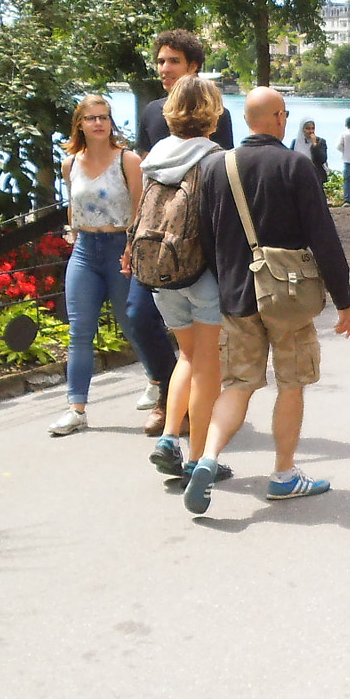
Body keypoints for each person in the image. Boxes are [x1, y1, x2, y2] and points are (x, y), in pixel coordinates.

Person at [181, 87, 350, 510]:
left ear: (246, 121)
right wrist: (344, 299)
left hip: (236, 295)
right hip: (289, 297)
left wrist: (226, 283)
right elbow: (323, 237)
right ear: (279, 117)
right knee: (291, 384)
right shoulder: (295, 165)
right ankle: (282, 473)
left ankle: (206, 457)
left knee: (239, 385)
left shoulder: (213, 167)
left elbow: (205, 235)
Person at [128, 30, 230, 438]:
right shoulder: (159, 115)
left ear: (193, 66)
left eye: (172, 61)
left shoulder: (199, 122)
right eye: (160, 61)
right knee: (204, 360)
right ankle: (197, 453)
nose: (164, 68)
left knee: (190, 356)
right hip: (177, 254)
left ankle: (172, 432)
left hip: (177, 254)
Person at [50, 96, 147, 437]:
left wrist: (132, 249)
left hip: (121, 247)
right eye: (91, 118)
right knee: (80, 331)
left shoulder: (128, 160)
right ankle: (76, 408)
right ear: (80, 124)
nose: (98, 123)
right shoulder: (70, 164)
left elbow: (139, 209)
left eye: (104, 117)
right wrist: (72, 232)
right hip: (85, 250)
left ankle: (158, 383)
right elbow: (72, 205)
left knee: (133, 322)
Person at [293, 119, 328, 185]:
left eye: (312, 128)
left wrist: (314, 145)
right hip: (300, 175)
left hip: (316, 176)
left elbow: (322, 159)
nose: (311, 131)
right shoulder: (296, 142)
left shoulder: (320, 142)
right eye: (308, 129)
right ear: (303, 129)